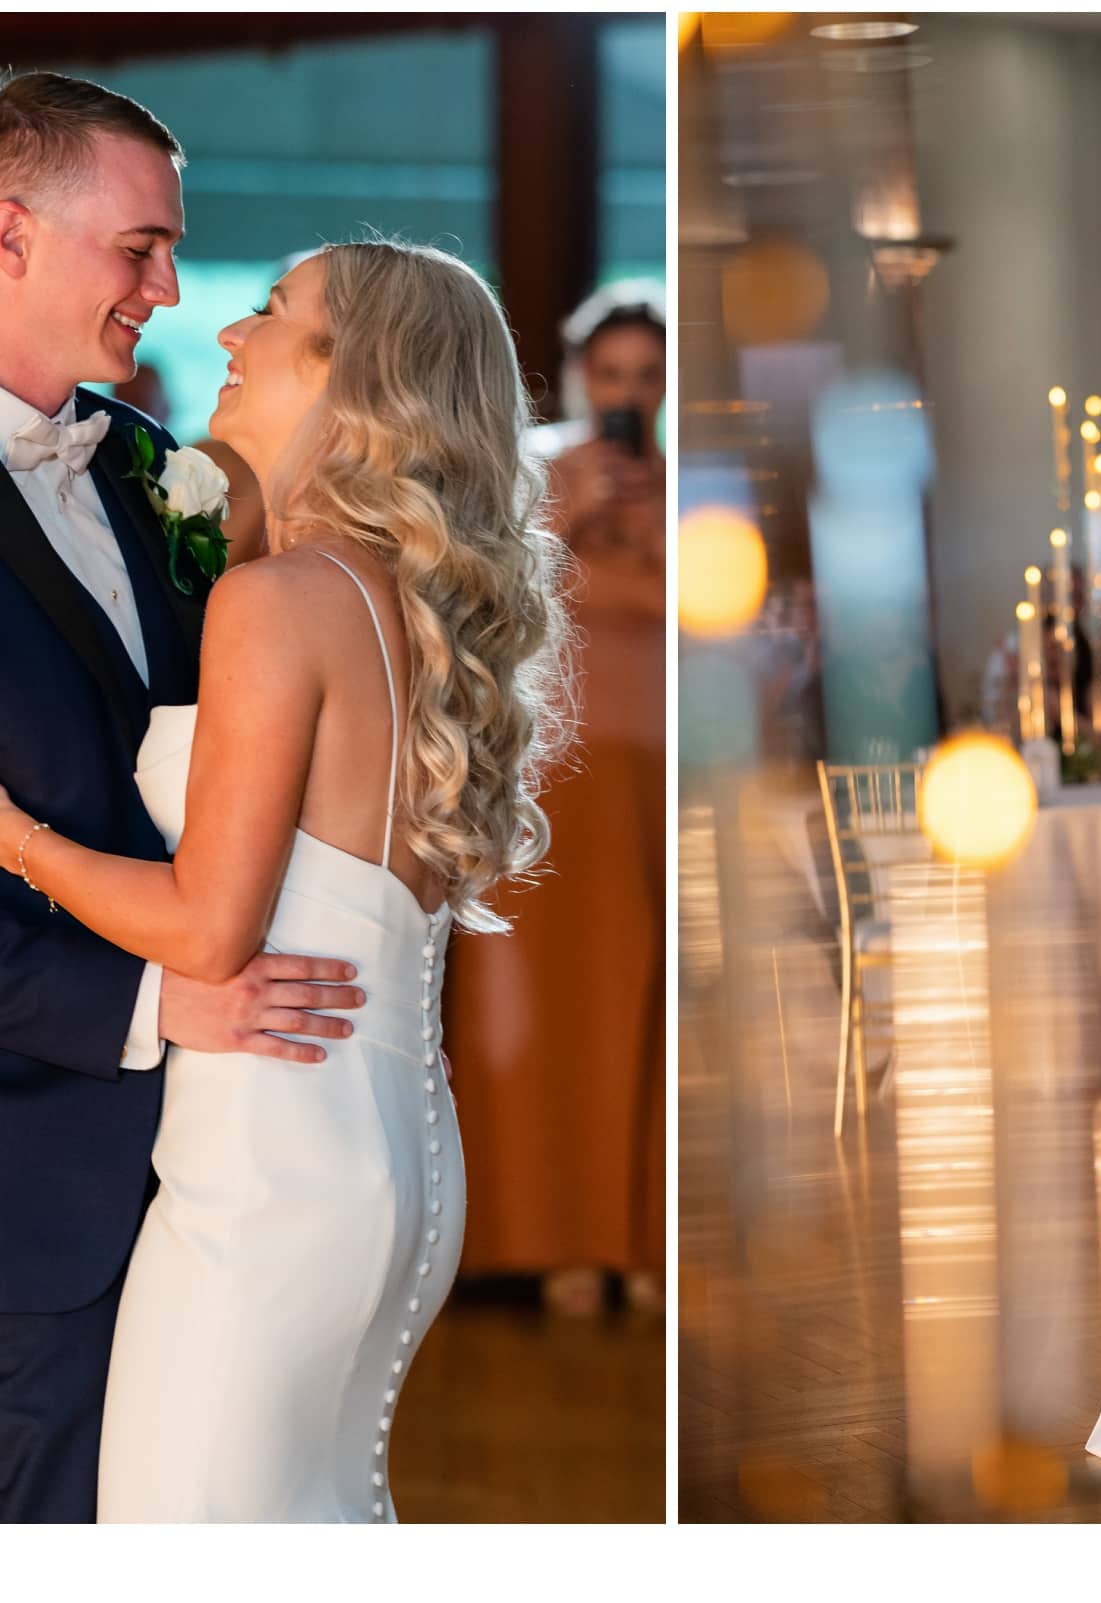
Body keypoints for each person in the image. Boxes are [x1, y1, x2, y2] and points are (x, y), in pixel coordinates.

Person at [0, 71, 370, 1524]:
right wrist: (158, 1003)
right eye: (140, 247)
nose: (171, 288)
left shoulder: (165, 476)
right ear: (13, 233)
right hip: (21, 1169)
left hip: (226, 1153)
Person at [0, 237, 572, 1520]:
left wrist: (6, 837)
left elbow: (208, 933)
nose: (227, 335)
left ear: (355, 376)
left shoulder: (280, 601)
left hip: (264, 1168)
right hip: (400, 1156)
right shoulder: (398, 602)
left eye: (271, 312)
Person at [448, 284, 665, 1316]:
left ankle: (645, 1238)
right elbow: (500, 588)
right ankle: (555, 1237)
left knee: (651, 1002)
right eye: (610, 373)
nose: (627, 393)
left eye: (646, 375)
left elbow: (707, 602)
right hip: (554, 766)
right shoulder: (535, 472)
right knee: (557, 1007)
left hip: (661, 755)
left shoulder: (687, 482)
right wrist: (574, 517)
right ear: (581, 376)